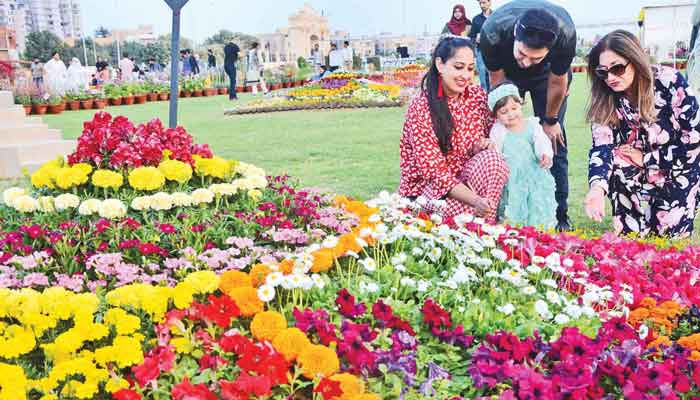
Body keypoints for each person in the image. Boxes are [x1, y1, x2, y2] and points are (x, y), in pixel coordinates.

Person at [584, 30, 700, 239]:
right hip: (629, 178)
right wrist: (597, 188)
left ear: (635, 60)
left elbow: (693, 141)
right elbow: (602, 146)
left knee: (669, 245)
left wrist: (647, 159)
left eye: (617, 68)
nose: (610, 78)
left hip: (676, 172)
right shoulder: (604, 97)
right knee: (630, 244)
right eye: (602, 72)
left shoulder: (669, 82)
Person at [480, 0, 576, 232]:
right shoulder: (492, 32)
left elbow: (558, 81)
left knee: (553, 141)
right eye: (523, 54)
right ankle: (503, 209)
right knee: (504, 141)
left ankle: (558, 214)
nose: (526, 62)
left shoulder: (565, 33)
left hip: (547, 77)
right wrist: (508, 121)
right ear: (515, 35)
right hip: (506, 74)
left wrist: (550, 121)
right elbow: (499, 87)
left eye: (535, 57)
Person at [399, 36, 509, 221]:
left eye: (470, 68)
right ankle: (482, 226)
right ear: (440, 65)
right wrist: (475, 201)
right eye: (458, 67)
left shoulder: (476, 96)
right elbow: (435, 174)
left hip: (469, 185)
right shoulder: (421, 107)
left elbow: (500, 133)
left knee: (492, 159)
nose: (465, 76)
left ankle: (484, 224)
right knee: (467, 213)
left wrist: (483, 145)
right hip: (430, 192)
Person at [487, 82, 556, 228]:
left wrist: (544, 154)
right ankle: (515, 232)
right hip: (512, 177)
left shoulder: (532, 125)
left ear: (520, 105)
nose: (511, 114)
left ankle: (538, 231)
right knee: (514, 206)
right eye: (504, 112)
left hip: (533, 174)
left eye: (514, 108)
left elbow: (542, 142)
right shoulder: (498, 131)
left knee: (536, 205)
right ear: (496, 115)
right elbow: (495, 153)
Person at [469, 0, 493, 91]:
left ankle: (493, 99)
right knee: (482, 77)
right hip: (481, 52)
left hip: (494, 52)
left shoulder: (496, 16)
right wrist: (476, 39)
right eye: (480, 3)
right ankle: (484, 100)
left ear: (489, 2)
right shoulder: (476, 19)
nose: (482, 5)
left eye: (484, 2)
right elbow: (471, 37)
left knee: (493, 77)